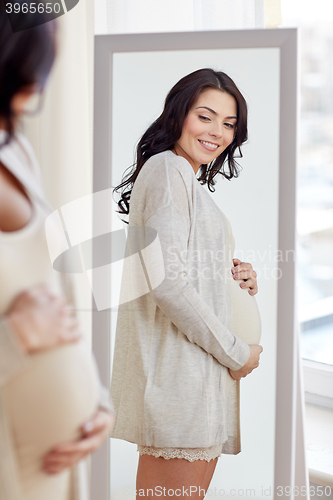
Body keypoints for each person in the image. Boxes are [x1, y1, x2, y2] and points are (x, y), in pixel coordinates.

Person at [111, 68, 263, 497]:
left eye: (229, 124)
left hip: (197, 380)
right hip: (182, 382)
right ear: (179, 115)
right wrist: (236, 353)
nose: (218, 132)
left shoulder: (184, 179)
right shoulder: (167, 171)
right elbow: (167, 284)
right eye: (206, 116)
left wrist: (235, 280)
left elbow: (183, 271)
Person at [0, 6, 114, 500]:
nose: (36, 92)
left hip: (60, 466)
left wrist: (95, 401)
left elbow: (50, 297)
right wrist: (14, 338)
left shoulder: (15, 152)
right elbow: (25, 327)